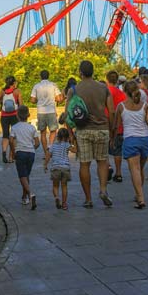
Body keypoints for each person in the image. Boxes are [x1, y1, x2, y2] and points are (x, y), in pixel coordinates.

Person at [68, 60, 115, 208]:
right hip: (102, 129)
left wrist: (71, 135)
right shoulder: (103, 88)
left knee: (84, 164)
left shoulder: (73, 90)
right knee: (102, 161)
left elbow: (68, 115)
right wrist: (111, 129)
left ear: (80, 72)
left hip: (83, 131)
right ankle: (103, 190)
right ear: (93, 72)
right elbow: (112, 111)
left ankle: (88, 199)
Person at [118, 80, 148, 209]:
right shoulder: (146, 106)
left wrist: (112, 136)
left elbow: (116, 125)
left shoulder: (121, 106)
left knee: (135, 170)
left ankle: (141, 198)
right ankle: (138, 193)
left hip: (130, 140)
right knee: (140, 169)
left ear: (125, 91)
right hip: (145, 140)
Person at [30, 70, 63, 169]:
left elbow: (32, 100)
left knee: (43, 133)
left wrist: (38, 100)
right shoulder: (53, 85)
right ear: (48, 76)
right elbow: (58, 98)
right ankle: (50, 148)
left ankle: (46, 153)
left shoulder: (36, 86)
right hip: (51, 111)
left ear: (41, 76)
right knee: (53, 131)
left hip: (41, 111)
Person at [9, 105, 40, 209]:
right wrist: (32, 148)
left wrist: (13, 152)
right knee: (26, 176)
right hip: (31, 153)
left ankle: (30, 194)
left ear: (17, 115)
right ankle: (24, 197)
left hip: (20, 152)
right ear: (28, 115)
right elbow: (37, 142)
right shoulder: (32, 127)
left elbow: (10, 140)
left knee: (22, 176)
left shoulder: (14, 127)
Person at [105, 70, 127, 183]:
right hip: (120, 125)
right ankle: (118, 173)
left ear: (107, 79)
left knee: (104, 149)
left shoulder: (106, 91)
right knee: (118, 150)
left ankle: (108, 166)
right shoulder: (122, 94)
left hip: (107, 124)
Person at [0, 76, 22, 163]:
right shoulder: (17, 91)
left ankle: (4, 152)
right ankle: (11, 156)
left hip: (4, 116)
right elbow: (21, 105)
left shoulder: (3, 91)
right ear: (14, 83)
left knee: (5, 135)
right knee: (13, 136)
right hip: (14, 115)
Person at [49, 127, 72, 210]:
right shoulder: (67, 145)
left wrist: (45, 165)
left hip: (55, 168)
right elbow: (75, 150)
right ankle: (64, 204)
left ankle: (56, 197)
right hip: (65, 168)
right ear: (67, 137)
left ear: (57, 136)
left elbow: (49, 155)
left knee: (55, 186)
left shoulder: (53, 145)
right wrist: (72, 142)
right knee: (64, 186)